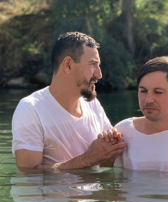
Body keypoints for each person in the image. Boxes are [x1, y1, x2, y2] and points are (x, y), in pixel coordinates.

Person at [12, 32, 126, 170]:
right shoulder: (30, 109)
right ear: (68, 65)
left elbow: (104, 162)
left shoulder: (93, 105)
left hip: (96, 192)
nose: (99, 74)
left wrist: (111, 153)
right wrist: (88, 158)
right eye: (93, 64)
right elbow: (28, 173)